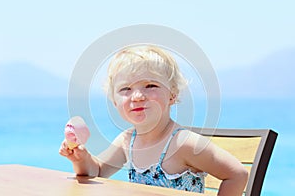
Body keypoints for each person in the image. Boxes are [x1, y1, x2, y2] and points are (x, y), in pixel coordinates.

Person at [59, 45, 248, 195]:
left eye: (151, 85)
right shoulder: (128, 141)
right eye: (126, 89)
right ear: (115, 102)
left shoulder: (184, 143)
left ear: (172, 95)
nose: (138, 96)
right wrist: (81, 159)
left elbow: (237, 174)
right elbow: (97, 172)